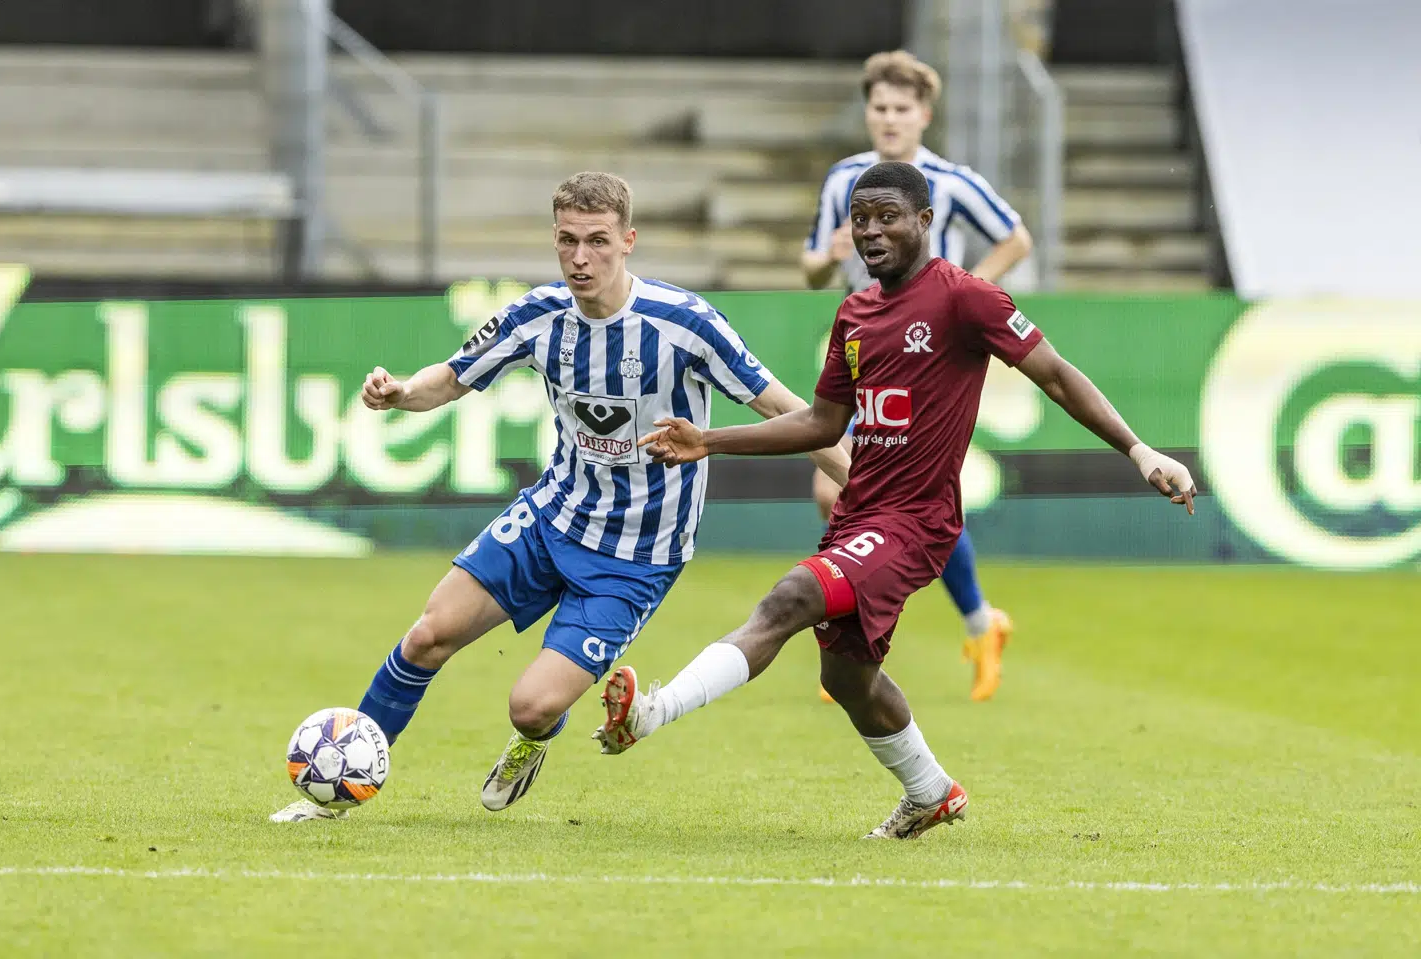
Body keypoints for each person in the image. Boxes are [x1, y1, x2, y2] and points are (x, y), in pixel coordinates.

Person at [593, 162, 1196, 840]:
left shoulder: (966, 298)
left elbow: (1056, 376)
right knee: (849, 679)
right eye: (860, 220)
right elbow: (823, 423)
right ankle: (931, 790)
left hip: (917, 521)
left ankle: (649, 713)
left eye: (887, 217)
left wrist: (1139, 450)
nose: (871, 231)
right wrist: (710, 439)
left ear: (925, 221)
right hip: (860, 514)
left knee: (788, 598)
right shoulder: (855, 313)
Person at [271, 171, 848, 822]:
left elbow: (787, 408)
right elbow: (455, 378)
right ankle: (342, 790)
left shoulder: (684, 324)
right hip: (553, 517)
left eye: (598, 241)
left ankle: (530, 743)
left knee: (533, 705)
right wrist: (401, 392)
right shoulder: (536, 315)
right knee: (428, 634)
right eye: (568, 241)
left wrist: (863, 481)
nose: (581, 258)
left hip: (636, 556)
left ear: (628, 241)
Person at [802, 50, 1035, 702]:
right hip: (862, 342)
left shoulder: (949, 181)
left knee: (902, 491)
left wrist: (962, 297)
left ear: (923, 115)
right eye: (879, 107)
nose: (889, 119)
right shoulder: (844, 179)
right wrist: (829, 256)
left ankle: (875, 634)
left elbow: (1016, 237)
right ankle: (975, 622)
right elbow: (811, 268)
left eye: (902, 109)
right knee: (841, 488)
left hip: (932, 352)